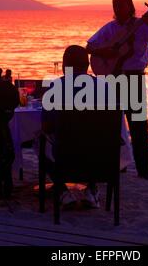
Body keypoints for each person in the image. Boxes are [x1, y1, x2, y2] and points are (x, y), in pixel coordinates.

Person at [87, 0, 148, 181]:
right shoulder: (110, 28)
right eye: (115, 3)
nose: (118, 7)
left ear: (130, 6)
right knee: (112, 125)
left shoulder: (142, 26)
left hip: (135, 79)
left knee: (139, 126)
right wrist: (106, 52)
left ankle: (144, 169)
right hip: (113, 79)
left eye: (121, 3)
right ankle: (117, 164)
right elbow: (89, 47)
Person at [41, 45, 103, 209]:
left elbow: (47, 127)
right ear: (87, 65)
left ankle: (61, 189)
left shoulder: (55, 87)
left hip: (65, 157)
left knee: (40, 140)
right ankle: (92, 187)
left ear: (64, 65)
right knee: (93, 140)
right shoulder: (105, 86)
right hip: (99, 159)